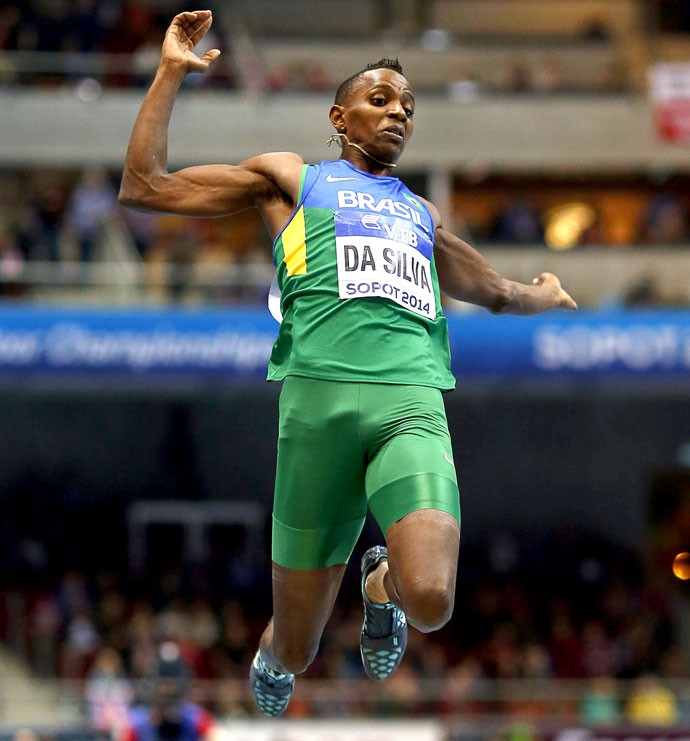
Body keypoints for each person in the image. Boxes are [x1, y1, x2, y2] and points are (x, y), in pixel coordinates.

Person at [119, 10, 577, 718]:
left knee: (430, 598)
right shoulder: (291, 180)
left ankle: (379, 587)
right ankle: (275, 650)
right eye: (380, 99)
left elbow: (492, 289)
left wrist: (539, 294)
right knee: (298, 648)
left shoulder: (421, 214)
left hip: (409, 404)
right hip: (315, 416)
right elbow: (146, 185)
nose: (398, 113)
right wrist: (171, 72)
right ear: (339, 116)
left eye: (408, 106)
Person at [117, 642, 219, 741]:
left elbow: (216, 736)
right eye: (163, 683)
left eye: (172, 682)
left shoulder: (196, 719)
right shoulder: (137, 722)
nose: (168, 689)